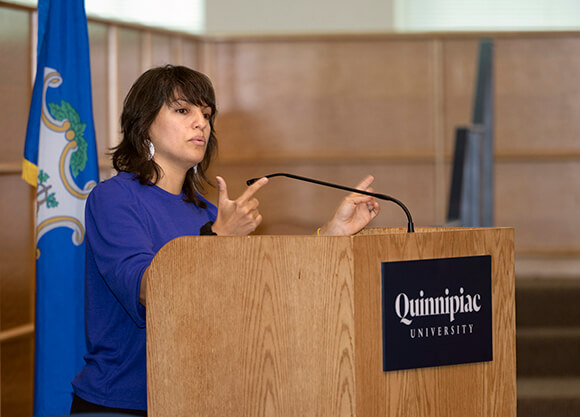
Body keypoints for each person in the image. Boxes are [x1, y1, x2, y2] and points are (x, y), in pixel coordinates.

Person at [70, 65, 380, 416]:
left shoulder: (205, 213)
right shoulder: (114, 199)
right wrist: (218, 238)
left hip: (198, 396)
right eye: (183, 110)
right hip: (121, 402)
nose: (201, 122)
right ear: (144, 124)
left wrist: (331, 234)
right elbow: (146, 290)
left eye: (206, 114)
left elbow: (261, 295)